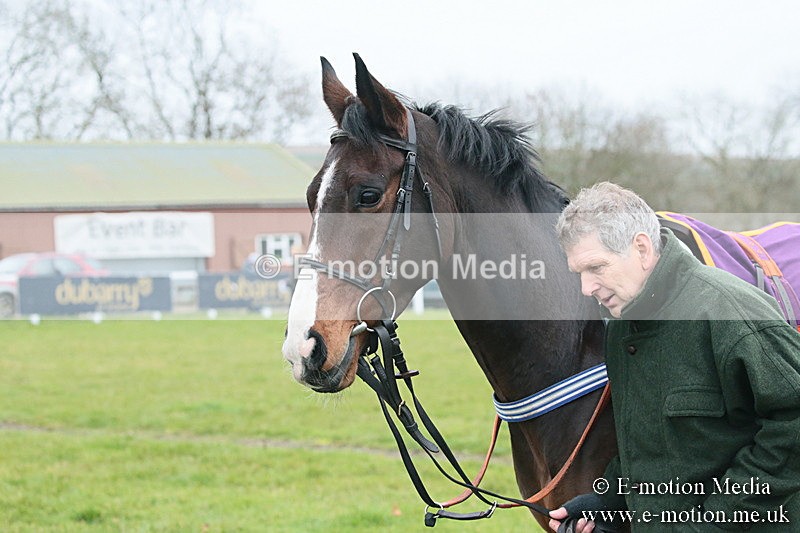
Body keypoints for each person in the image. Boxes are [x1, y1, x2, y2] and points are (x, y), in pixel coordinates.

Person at [548, 182, 800, 532]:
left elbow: (793, 428)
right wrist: (606, 502)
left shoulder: (729, 311)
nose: (586, 288)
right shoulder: (623, 329)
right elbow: (649, 446)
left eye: (596, 268)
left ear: (641, 248)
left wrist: (714, 522)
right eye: (579, 273)